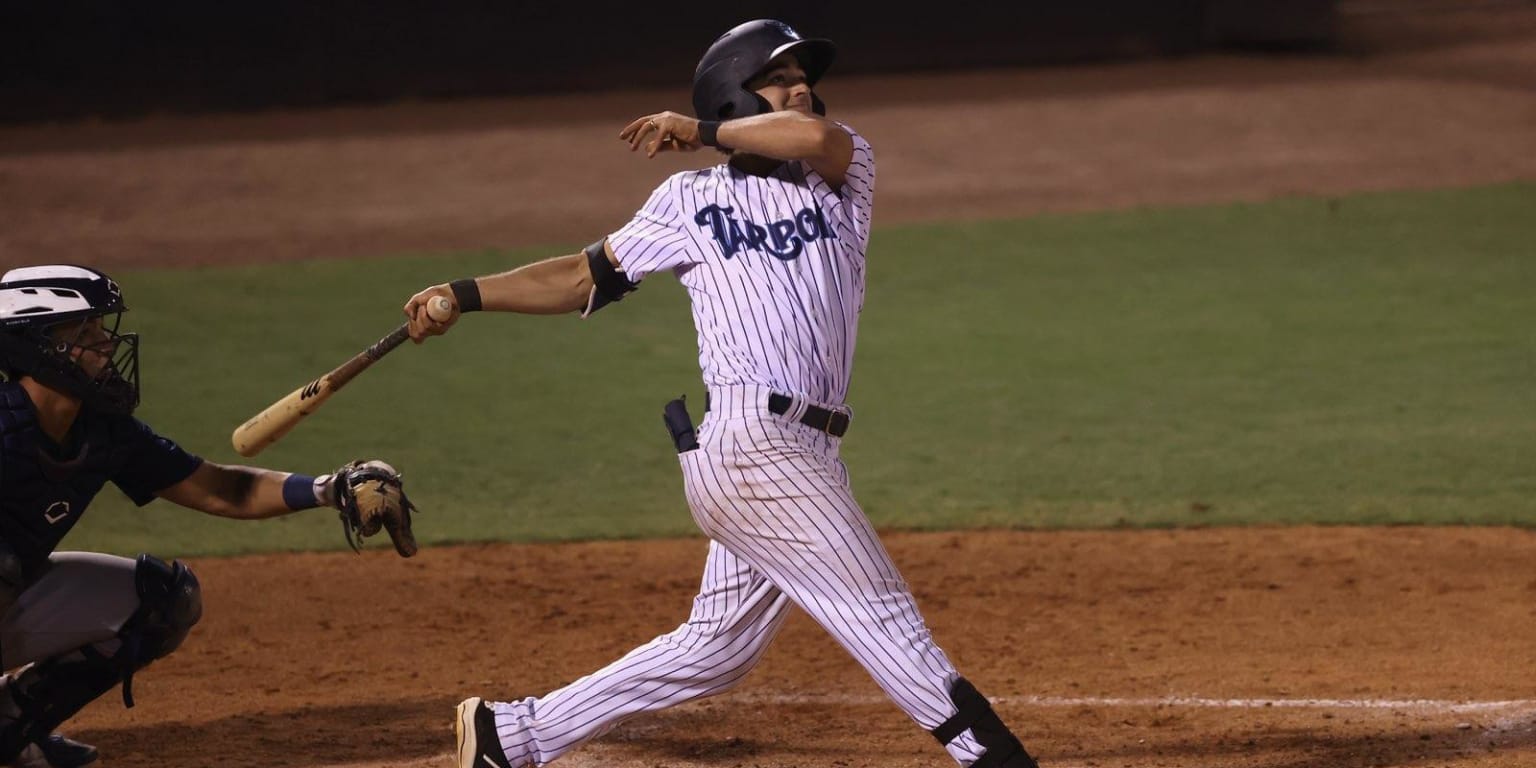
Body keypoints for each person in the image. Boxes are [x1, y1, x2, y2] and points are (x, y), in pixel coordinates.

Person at [405, 18, 1040, 768]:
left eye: (805, 76)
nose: (801, 86)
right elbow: (582, 277)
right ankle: (990, 756)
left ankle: (512, 736)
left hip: (800, 453)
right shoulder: (684, 201)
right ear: (736, 94)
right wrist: (465, 293)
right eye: (778, 77)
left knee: (717, 650)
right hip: (753, 449)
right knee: (880, 612)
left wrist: (703, 128)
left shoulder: (839, 176)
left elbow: (817, 140)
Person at [0, 264, 416, 768]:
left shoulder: (102, 431)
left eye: (101, 329)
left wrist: (330, 489)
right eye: (85, 334)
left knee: (162, 599)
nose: (106, 345)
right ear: (37, 348)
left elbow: (223, 490)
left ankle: (9, 725)